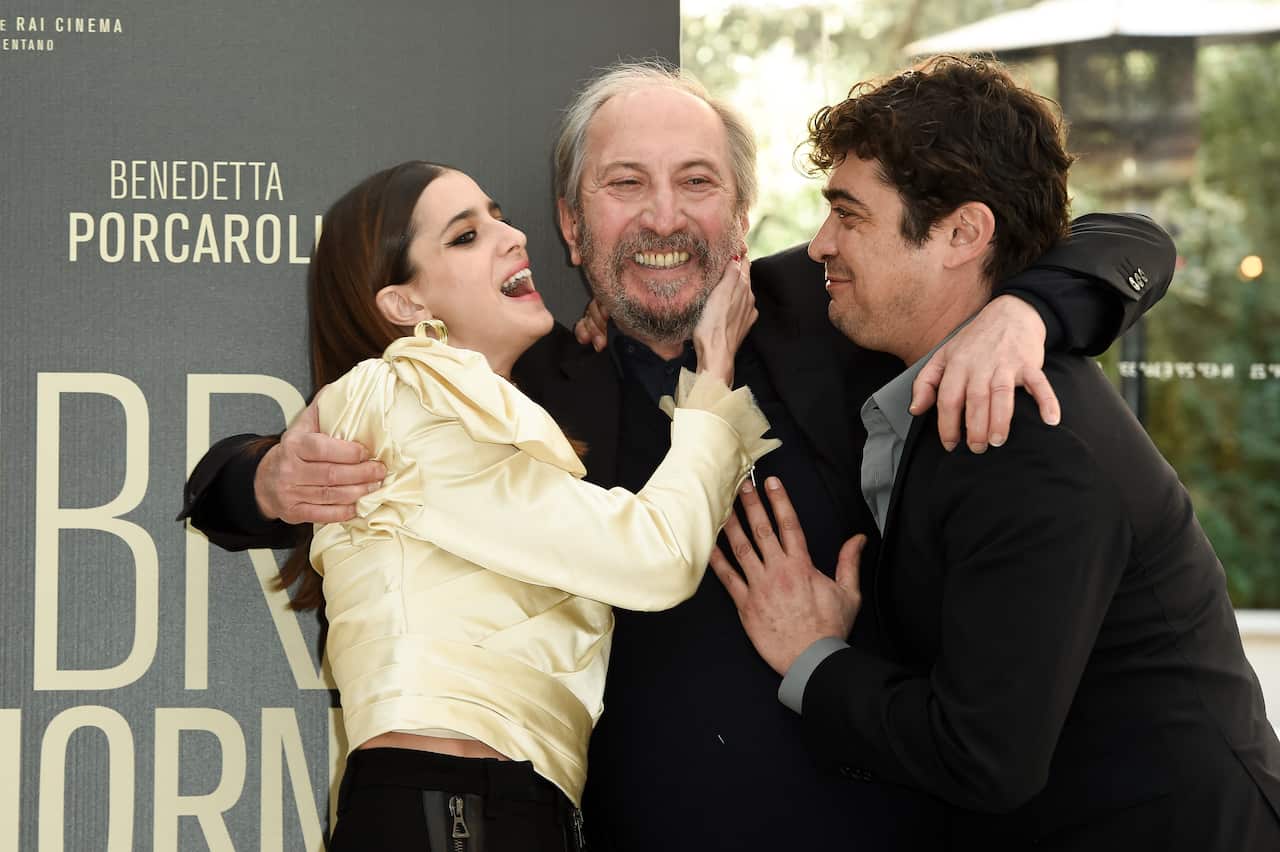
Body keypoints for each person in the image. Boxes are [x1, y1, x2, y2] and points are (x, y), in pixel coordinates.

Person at [180, 62, 1176, 850]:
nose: (663, 216)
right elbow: (243, 476)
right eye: (625, 185)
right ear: (573, 227)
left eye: (695, 183)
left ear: (740, 217)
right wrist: (263, 477)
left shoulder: (843, 319)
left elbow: (1129, 239)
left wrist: (1024, 309)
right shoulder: (516, 390)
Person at [714, 55, 1280, 850]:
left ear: (961, 234)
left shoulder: (1035, 442)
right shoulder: (869, 314)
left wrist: (815, 659)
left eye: (849, 214)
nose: (819, 245)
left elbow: (983, 757)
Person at [290, 159, 779, 850]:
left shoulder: (481, 416)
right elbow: (656, 558)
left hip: (493, 808)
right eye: (465, 235)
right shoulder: (395, 398)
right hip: (453, 808)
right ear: (405, 306)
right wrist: (716, 368)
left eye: (497, 215)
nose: (511, 235)